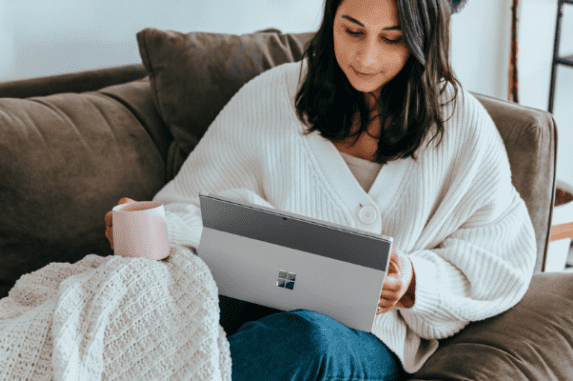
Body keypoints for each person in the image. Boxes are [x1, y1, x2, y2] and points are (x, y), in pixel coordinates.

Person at [105, 0, 537, 379]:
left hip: (358, 339)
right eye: (352, 30)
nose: (366, 58)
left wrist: (414, 280)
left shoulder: (461, 126)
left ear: (423, 40)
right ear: (331, 18)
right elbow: (189, 206)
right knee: (155, 296)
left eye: (392, 39)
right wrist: (150, 224)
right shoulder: (275, 94)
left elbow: (504, 258)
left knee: (308, 341)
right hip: (251, 301)